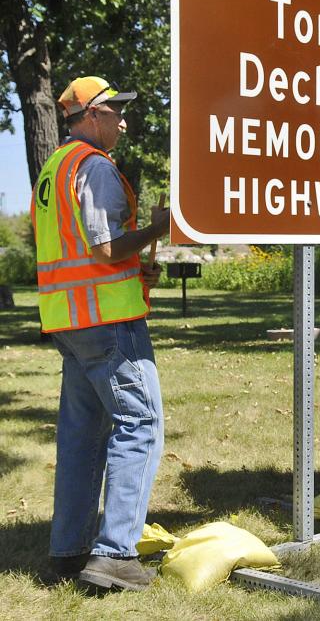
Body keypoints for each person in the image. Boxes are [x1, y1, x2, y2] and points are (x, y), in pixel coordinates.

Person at [34, 76, 169, 590]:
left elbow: (86, 255)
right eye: (116, 112)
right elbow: (107, 246)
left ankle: (68, 550)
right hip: (108, 324)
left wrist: (138, 270)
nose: (123, 121)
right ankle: (114, 554)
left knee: (81, 437)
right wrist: (158, 230)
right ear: (91, 115)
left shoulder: (54, 168)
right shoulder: (95, 167)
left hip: (70, 324)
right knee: (140, 425)